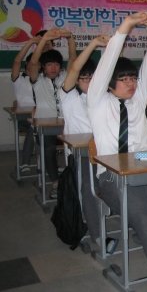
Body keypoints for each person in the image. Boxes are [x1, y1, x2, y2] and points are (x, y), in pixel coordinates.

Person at [87, 12, 147, 291]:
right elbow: (105, 65)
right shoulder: (97, 102)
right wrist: (125, 28)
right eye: (124, 79)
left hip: (144, 163)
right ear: (109, 83)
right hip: (111, 174)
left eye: (132, 78)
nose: (132, 83)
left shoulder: (137, 101)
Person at [59, 34, 112, 250]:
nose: (88, 83)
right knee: (89, 190)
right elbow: (73, 69)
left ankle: (132, 223)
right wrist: (93, 45)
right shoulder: (69, 96)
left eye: (92, 78)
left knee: (117, 186)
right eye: (84, 78)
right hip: (80, 154)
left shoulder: (101, 98)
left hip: (103, 152)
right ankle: (98, 237)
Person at [28, 28, 76, 198]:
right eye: (49, 64)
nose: (53, 67)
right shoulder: (37, 80)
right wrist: (44, 40)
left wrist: (70, 38)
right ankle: (55, 183)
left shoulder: (65, 76)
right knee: (48, 150)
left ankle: (75, 182)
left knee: (76, 149)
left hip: (65, 123)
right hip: (45, 125)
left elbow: (72, 59)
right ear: (44, 67)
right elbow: (33, 63)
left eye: (56, 64)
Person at [10, 32, 51, 173]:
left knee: (39, 128)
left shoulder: (41, 80)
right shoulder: (18, 79)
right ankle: (25, 163)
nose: (33, 66)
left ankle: (44, 165)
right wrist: (31, 42)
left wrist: (46, 44)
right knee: (33, 129)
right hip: (24, 117)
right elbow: (16, 61)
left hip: (40, 115)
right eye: (31, 64)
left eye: (38, 64)